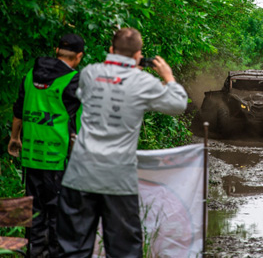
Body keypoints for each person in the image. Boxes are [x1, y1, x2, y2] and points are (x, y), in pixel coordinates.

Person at [56, 27, 188, 257]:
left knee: (72, 249)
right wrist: (168, 77)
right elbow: (178, 104)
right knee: (124, 251)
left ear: (110, 50)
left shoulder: (89, 73)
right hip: (117, 180)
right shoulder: (143, 82)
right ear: (138, 55)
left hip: (79, 174)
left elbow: (90, 90)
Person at [8, 33, 85, 258]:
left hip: (31, 157)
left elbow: (18, 111)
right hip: (58, 159)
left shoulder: (30, 75)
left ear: (56, 50)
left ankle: (32, 253)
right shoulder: (73, 81)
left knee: (33, 211)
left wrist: (15, 138)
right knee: (58, 215)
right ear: (79, 56)